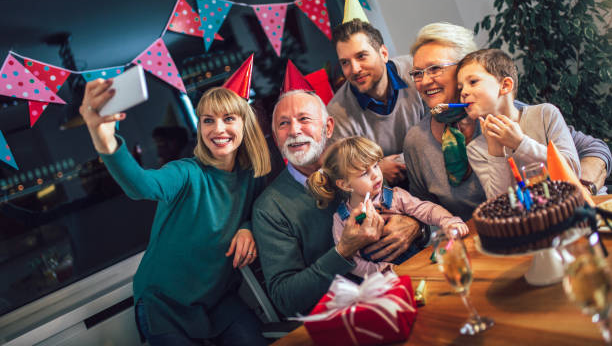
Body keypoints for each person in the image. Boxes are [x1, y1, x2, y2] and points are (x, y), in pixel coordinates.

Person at [79, 82, 270, 346]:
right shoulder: (186, 173)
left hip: (218, 300)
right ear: (200, 128)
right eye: (208, 120)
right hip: (163, 305)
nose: (218, 128)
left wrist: (247, 225)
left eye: (228, 118)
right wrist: (103, 136)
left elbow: (260, 210)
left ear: (245, 124)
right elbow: (140, 186)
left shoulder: (252, 174)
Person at [403, 22, 611, 220]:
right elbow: (424, 209)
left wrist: (582, 188)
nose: (425, 81)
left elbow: (592, 150)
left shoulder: (515, 112)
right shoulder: (420, 141)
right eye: (417, 73)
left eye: (435, 69)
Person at [252, 90, 425, 317]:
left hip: (413, 281)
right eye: (283, 124)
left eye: (304, 119)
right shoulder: (270, 208)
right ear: (276, 138)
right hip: (351, 317)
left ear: (329, 127)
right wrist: (343, 251)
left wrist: (417, 227)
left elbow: (422, 209)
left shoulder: (367, 168)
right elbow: (286, 299)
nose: (294, 130)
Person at [307, 136, 467, 278]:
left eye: (376, 165)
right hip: (389, 282)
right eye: (364, 173)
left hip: (421, 266)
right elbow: (352, 261)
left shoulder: (394, 196)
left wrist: (449, 221)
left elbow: (427, 210)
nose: (376, 174)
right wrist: (380, 270)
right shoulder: (342, 219)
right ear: (345, 184)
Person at [456, 48, 579, 198]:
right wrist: (495, 152)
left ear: (505, 85)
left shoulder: (545, 114)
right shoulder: (475, 150)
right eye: (460, 87)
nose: (463, 92)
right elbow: (501, 202)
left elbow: (572, 171)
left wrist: (520, 143)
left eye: (473, 82)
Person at [328, 19, 424, 186]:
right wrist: (377, 170)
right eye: (345, 62)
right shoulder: (338, 115)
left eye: (361, 56)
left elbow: (445, 124)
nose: (355, 69)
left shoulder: (417, 70)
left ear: (384, 54)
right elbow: (345, 181)